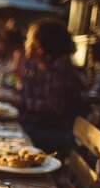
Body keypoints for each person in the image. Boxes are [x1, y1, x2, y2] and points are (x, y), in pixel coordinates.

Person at [18, 18, 87, 156]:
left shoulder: (60, 67)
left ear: (40, 46)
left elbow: (52, 108)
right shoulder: (41, 64)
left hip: (56, 133)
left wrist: (15, 101)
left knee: (9, 137)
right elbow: (25, 92)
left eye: (29, 39)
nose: (26, 43)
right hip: (42, 126)